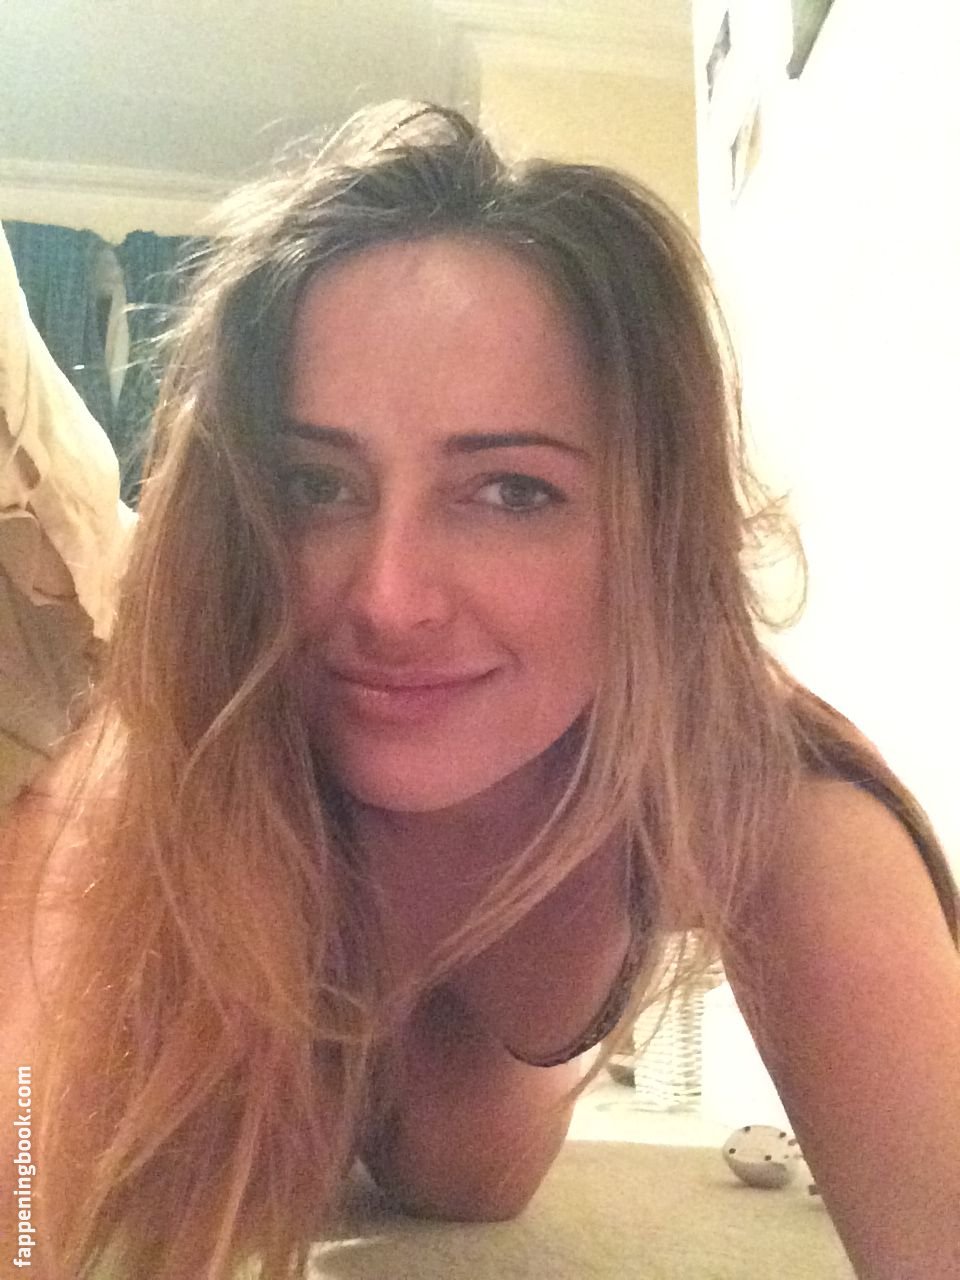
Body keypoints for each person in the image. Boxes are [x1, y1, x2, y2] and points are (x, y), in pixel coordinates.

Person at [1, 101, 958, 1280]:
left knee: (464, 1177)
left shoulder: (776, 798)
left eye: (510, 490)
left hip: (496, 1078)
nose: (389, 598)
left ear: (652, 531)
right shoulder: (165, 745)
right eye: (316, 484)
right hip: (285, 972)